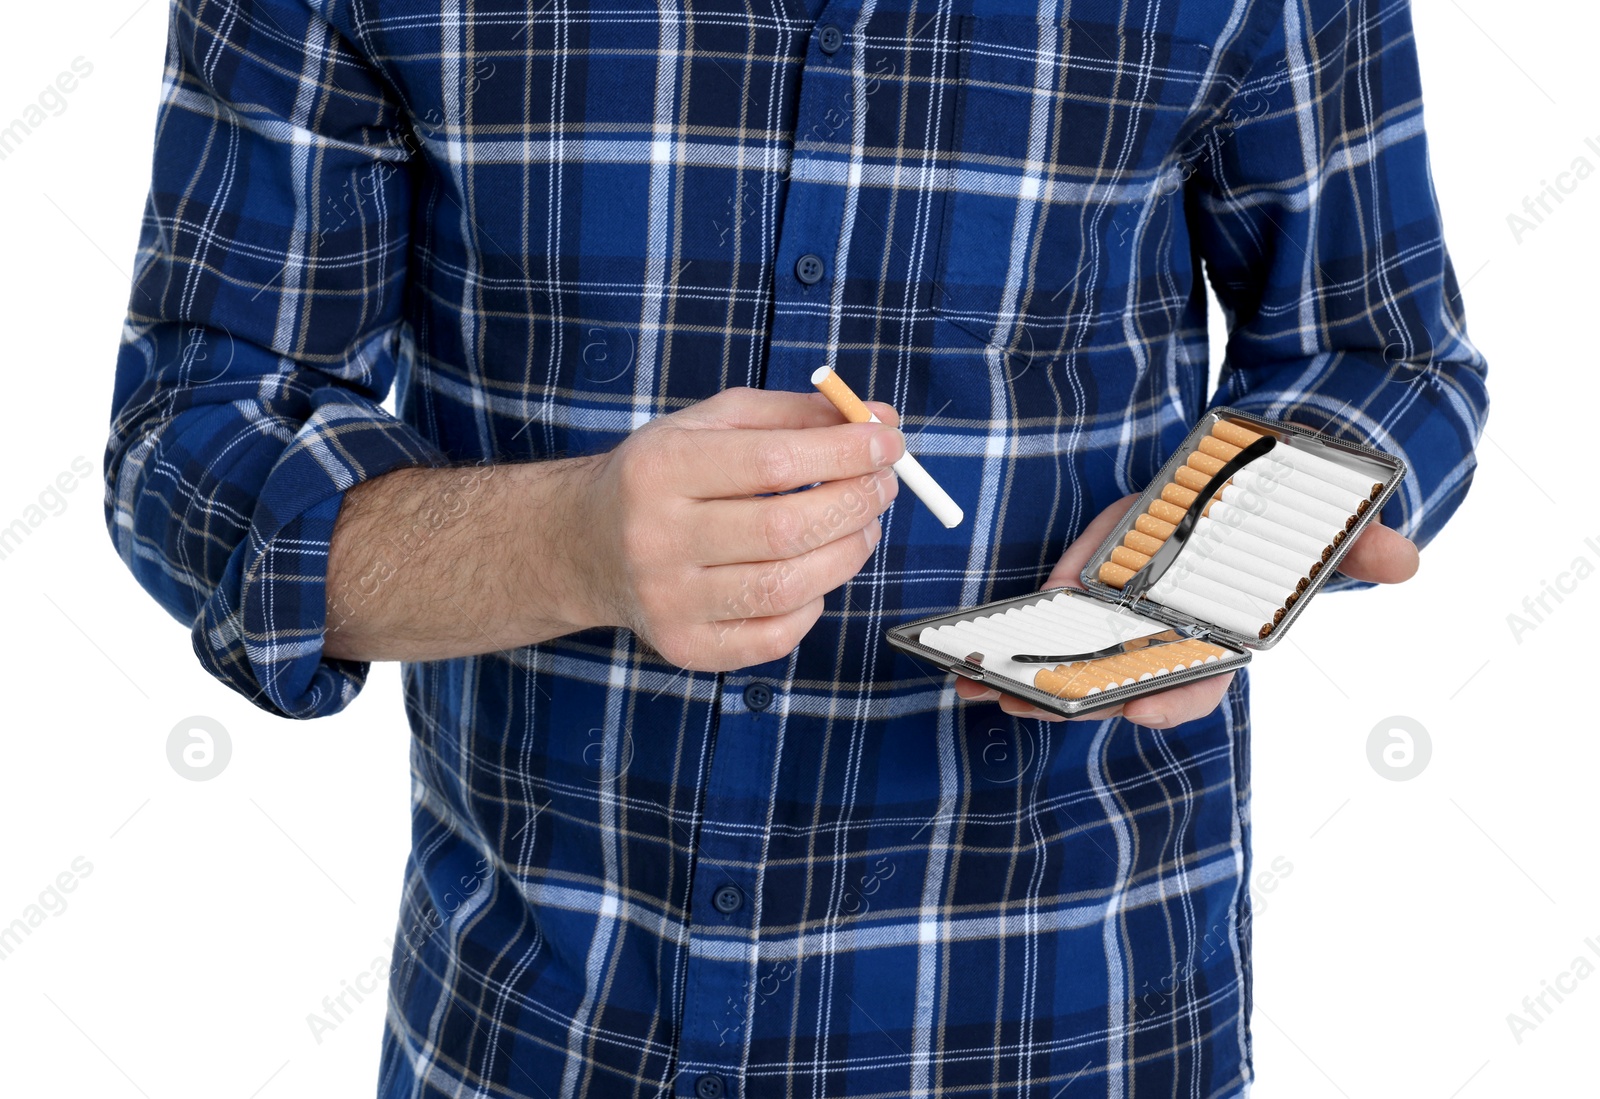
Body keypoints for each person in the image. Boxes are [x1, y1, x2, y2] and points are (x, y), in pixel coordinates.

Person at [103, 0, 1486, 1095]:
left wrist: (1203, 560)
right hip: (541, 1039)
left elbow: (1386, 356)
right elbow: (194, 442)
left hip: (1069, 1021)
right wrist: (572, 542)